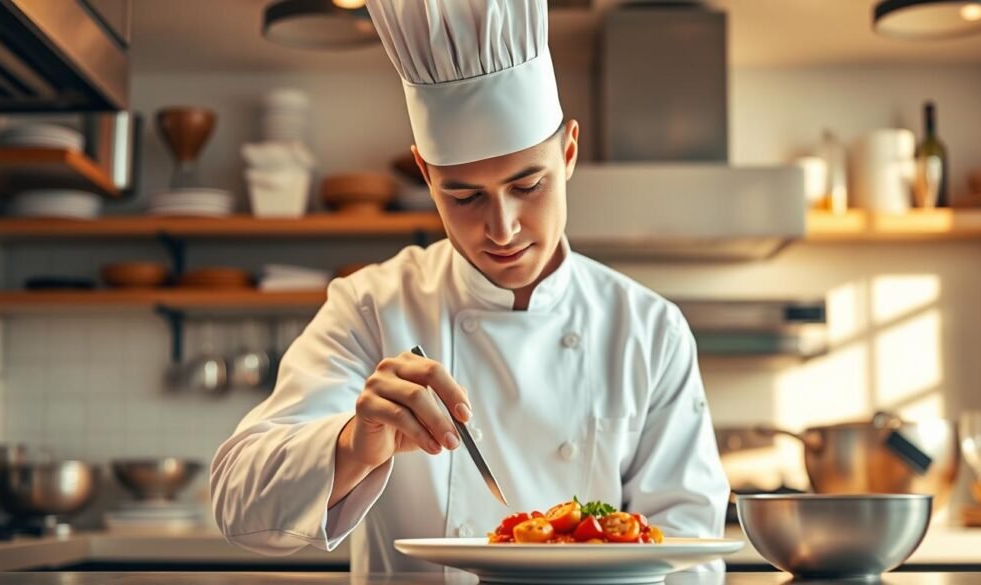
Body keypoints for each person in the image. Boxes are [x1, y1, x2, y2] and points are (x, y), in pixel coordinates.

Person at [211, 0, 729, 573]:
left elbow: (688, 548)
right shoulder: (369, 306)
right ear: (426, 176)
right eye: (464, 197)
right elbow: (238, 505)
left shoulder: (649, 329)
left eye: (528, 185)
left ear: (570, 153)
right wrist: (354, 444)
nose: (502, 229)